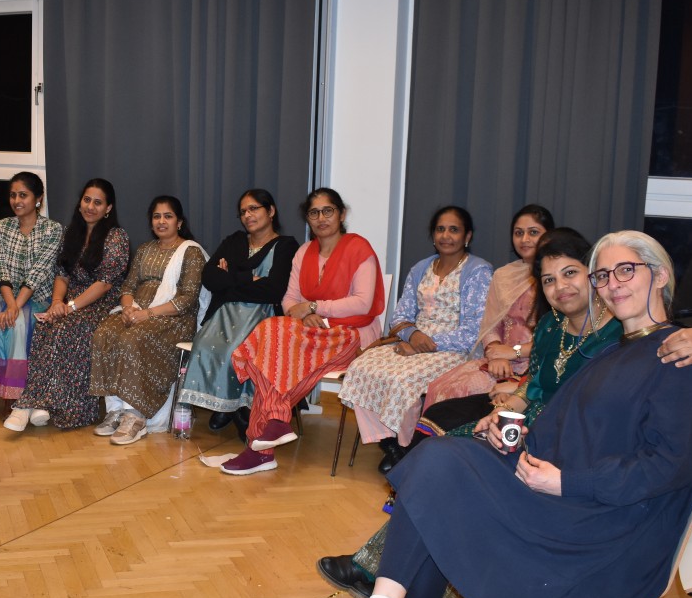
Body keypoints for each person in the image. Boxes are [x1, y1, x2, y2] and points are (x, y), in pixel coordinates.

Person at [297, 230, 692, 598]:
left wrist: (567, 481)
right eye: (603, 275)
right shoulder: (622, 349)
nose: (612, 284)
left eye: (625, 270)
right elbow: (576, 428)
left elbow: (668, 466)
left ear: (659, 275)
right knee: (445, 470)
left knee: (444, 470)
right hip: (572, 500)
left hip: (605, 535)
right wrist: (516, 441)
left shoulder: (683, 355)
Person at [219, 188, 385, 475]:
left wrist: (314, 307)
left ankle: (260, 449)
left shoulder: (359, 249)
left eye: (328, 211)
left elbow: (362, 302)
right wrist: (307, 313)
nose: (321, 218)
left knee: (273, 358)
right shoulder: (304, 252)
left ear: (341, 214)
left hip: (352, 334)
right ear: (307, 219)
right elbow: (289, 301)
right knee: (269, 330)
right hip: (312, 332)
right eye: (314, 213)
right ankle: (274, 423)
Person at [339, 205, 493, 474]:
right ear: (433, 235)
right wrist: (413, 336)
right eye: (440, 229)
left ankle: (406, 445)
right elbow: (400, 316)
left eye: (454, 230)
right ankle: (392, 444)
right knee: (362, 367)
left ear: (467, 236)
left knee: (403, 380)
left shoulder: (478, 271)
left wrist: (426, 344)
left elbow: (473, 330)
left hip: (456, 349)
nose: (446, 235)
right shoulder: (421, 268)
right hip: (414, 342)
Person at [409, 204, 553, 444]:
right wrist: (495, 352)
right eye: (518, 233)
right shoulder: (504, 275)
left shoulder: (554, 280)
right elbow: (490, 323)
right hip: (498, 361)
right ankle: (426, 452)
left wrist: (514, 352)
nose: (525, 239)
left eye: (533, 232)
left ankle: (458, 452)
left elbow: (553, 336)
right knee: (441, 388)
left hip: (534, 365)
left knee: (466, 393)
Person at [6, 179, 130, 431]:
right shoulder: (71, 232)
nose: (90, 207)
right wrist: (56, 302)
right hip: (70, 299)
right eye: (87, 200)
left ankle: (61, 407)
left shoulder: (117, 237)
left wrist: (70, 307)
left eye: (98, 203)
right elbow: (61, 274)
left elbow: (104, 284)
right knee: (45, 325)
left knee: (67, 329)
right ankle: (37, 404)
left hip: (101, 303)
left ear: (108, 208)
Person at [177, 189, 299, 431]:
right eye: (243, 212)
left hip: (263, 316)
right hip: (224, 314)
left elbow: (274, 290)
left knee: (237, 350)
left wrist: (230, 279)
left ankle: (240, 408)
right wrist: (248, 279)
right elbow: (210, 278)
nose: (247, 215)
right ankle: (229, 407)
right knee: (204, 345)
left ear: (271, 211)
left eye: (253, 208)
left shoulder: (285, 245)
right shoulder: (235, 241)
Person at [89, 195, 207, 445]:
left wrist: (148, 314)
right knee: (104, 332)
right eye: (156, 216)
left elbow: (187, 299)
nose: (161, 221)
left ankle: (136, 416)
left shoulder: (191, 252)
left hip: (173, 318)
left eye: (168, 216)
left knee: (132, 339)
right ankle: (115, 410)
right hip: (138, 310)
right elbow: (128, 286)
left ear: (179, 222)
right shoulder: (144, 249)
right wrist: (128, 308)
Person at [0, 172, 64, 401]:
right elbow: (1, 270)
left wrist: (14, 308)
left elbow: (37, 274)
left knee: (18, 324)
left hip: (38, 296)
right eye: (13, 195)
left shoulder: (53, 230)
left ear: (38, 199)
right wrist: (11, 304)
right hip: (3, 294)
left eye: (23, 195)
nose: (16, 201)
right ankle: (1, 388)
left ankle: (18, 394)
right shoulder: (3, 226)